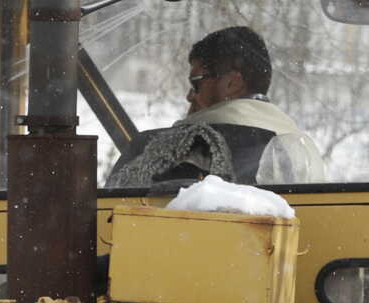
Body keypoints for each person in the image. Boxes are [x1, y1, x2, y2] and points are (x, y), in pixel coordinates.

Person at [109, 26, 331, 188]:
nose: (189, 96)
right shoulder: (300, 148)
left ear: (232, 83)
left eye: (196, 83)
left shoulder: (171, 147)